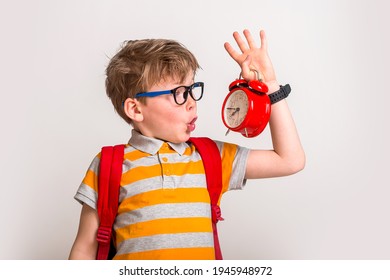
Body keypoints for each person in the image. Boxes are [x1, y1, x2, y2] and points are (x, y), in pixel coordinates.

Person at [68, 29, 305, 260]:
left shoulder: (210, 157)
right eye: (179, 93)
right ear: (136, 109)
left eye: (192, 89)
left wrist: (271, 85)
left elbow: (290, 160)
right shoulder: (109, 165)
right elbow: (84, 250)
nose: (192, 103)